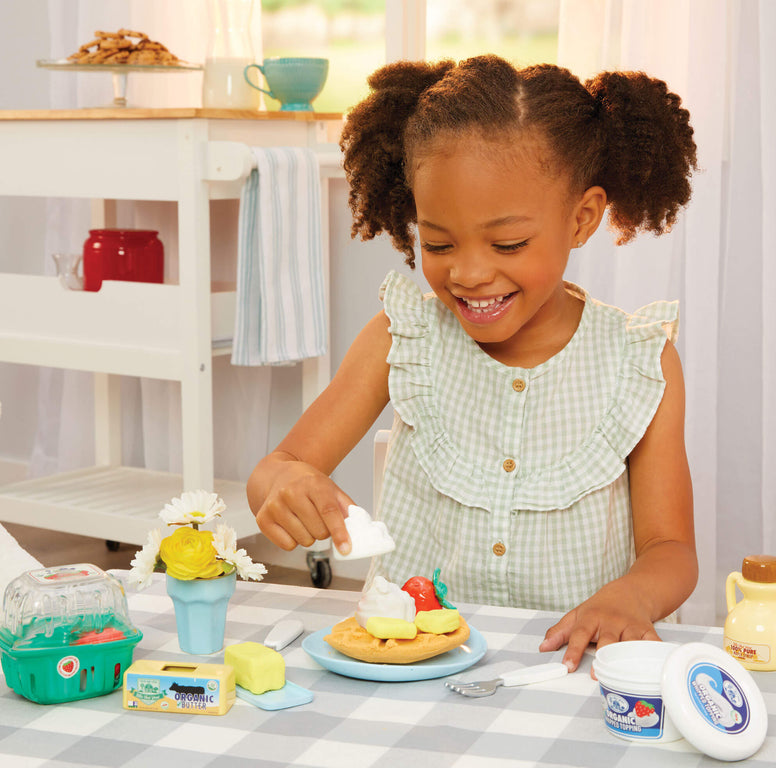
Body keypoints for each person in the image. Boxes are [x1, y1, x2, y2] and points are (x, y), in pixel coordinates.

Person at [247, 55, 698, 671]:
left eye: (508, 244)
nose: (468, 273)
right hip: (412, 668)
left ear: (581, 217)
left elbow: (670, 549)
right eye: (437, 243)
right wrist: (287, 486)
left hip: (571, 669)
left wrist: (630, 596)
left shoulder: (640, 362)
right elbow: (281, 467)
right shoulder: (401, 337)